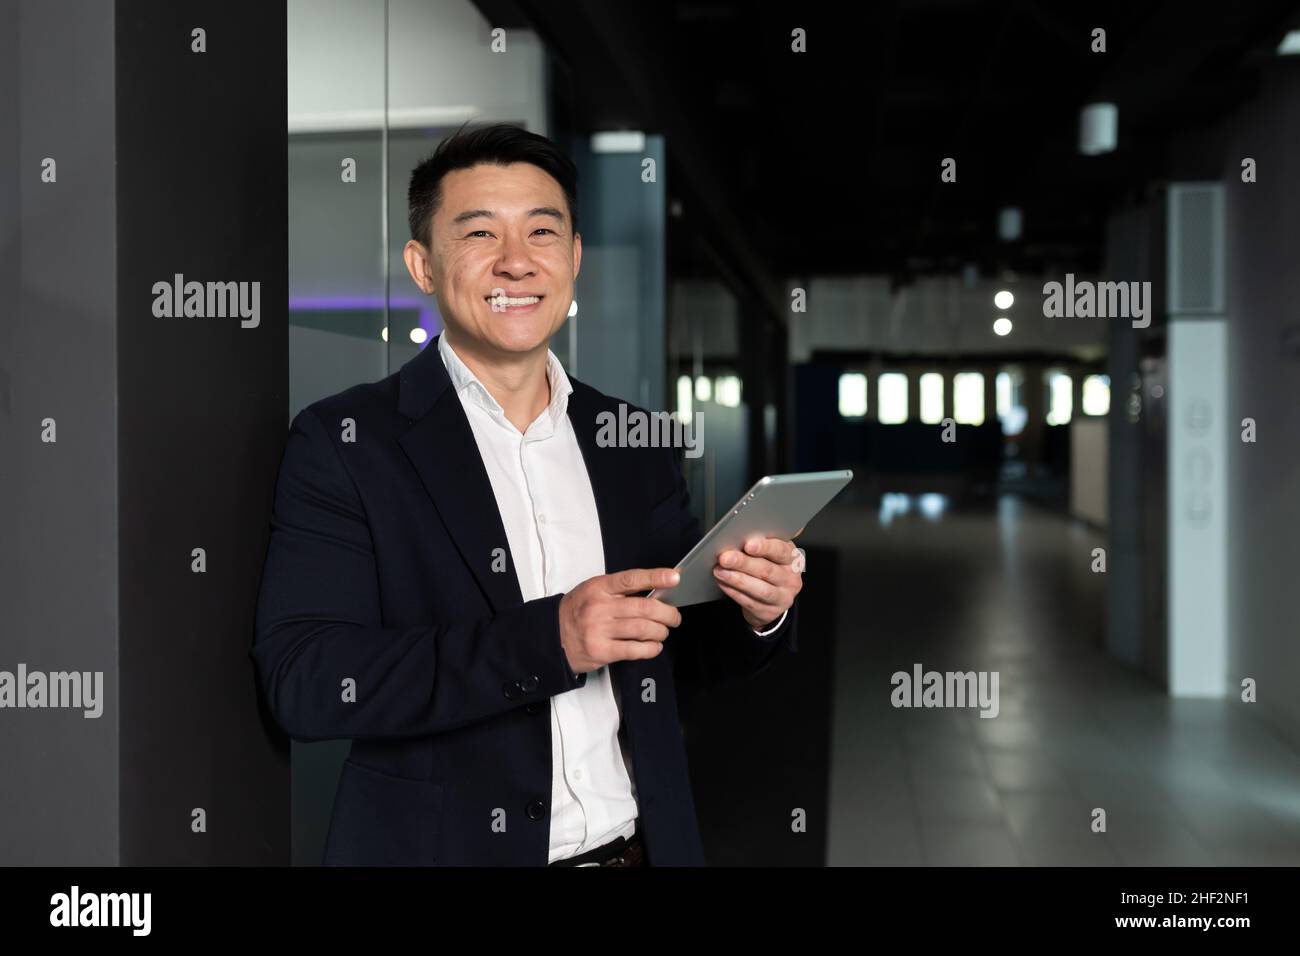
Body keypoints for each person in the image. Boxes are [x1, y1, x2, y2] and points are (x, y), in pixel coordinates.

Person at [251, 123, 803, 867]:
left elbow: (682, 649)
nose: (517, 261)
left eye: (543, 232)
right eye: (480, 233)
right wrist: (550, 642)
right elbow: (306, 680)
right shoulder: (346, 443)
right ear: (422, 264)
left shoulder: (631, 439)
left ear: (572, 259)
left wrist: (755, 610)